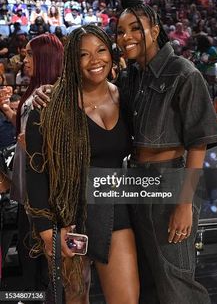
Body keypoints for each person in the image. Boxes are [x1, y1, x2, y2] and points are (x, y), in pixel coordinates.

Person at [116, 0, 217, 304]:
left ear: (154, 29)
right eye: (120, 31)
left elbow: (198, 144)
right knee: (148, 277)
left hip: (170, 183)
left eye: (135, 28)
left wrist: (184, 205)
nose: (126, 37)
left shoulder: (183, 73)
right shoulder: (132, 77)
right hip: (135, 180)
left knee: (176, 282)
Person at [25, 25, 139, 304]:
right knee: (76, 297)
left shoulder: (124, 95)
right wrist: (46, 229)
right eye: (83, 54)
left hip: (115, 209)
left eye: (101, 50)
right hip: (69, 216)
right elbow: (36, 171)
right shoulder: (50, 103)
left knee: (126, 299)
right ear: (71, 61)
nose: (95, 60)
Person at [0, 33, 64, 296]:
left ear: (45, 58)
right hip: (29, 190)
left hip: (44, 193)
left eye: (29, 54)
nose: (24, 60)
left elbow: (50, 144)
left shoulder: (52, 93)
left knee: (45, 264)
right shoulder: (36, 91)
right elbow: (26, 133)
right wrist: (8, 111)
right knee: (33, 261)